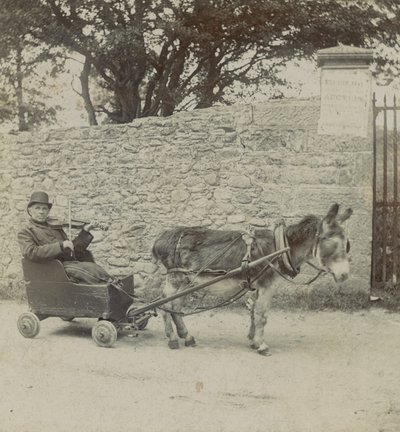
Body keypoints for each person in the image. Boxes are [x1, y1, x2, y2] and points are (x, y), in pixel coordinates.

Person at [17, 191, 113, 285]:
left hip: (68, 264)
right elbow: (31, 252)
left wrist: (85, 231)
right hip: (53, 268)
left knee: (90, 264)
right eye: (37, 208)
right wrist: (60, 245)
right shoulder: (26, 231)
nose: (41, 212)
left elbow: (73, 250)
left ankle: (111, 285)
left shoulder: (55, 227)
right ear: (30, 210)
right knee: (88, 269)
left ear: (48, 211)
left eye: (44, 208)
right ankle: (111, 285)